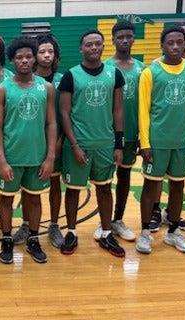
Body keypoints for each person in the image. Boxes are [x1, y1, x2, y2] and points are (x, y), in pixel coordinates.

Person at [136, 26, 185, 254]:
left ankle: (173, 232)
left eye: (179, 42)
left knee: (178, 185)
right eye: (170, 43)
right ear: (162, 45)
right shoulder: (150, 72)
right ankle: (145, 233)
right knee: (150, 186)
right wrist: (144, 142)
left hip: (182, 140)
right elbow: (143, 110)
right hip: (157, 140)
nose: (175, 46)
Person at [59, 29, 126, 257]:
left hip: (105, 144)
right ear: (81, 48)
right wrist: (75, 145)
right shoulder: (71, 75)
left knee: (105, 188)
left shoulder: (114, 74)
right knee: (73, 190)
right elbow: (64, 113)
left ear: (104, 46)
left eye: (98, 44)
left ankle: (107, 233)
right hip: (79, 144)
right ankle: (71, 232)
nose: (94, 48)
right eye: (89, 44)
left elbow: (118, 110)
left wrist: (119, 144)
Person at [0, 36, 57, 264]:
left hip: (37, 157)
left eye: (29, 56)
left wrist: (50, 157)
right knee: (7, 200)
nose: (24, 61)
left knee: (34, 200)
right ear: (12, 61)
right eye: (19, 57)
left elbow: (51, 123)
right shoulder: (2, 89)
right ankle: (7, 239)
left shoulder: (46, 87)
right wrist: (1, 160)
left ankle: (33, 239)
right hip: (11, 156)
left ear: (35, 58)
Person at [94, 20, 146, 242]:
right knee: (104, 181)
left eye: (128, 36)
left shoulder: (142, 70)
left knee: (124, 176)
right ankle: (103, 222)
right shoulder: (104, 68)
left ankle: (118, 219)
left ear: (133, 38)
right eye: (120, 37)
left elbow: (147, 106)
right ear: (113, 39)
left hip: (132, 133)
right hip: (107, 134)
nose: (125, 40)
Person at [14, 32, 66, 248]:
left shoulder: (63, 80)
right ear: (35, 56)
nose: (46, 55)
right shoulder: (23, 82)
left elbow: (65, 114)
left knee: (54, 183)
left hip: (55, 142)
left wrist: (59, 142)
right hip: (32, 143)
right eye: (42, 51)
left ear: (55, 56)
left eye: (50, 52)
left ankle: (54, 225)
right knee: (28, 187)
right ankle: (27, 224)